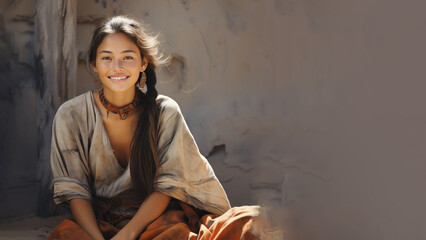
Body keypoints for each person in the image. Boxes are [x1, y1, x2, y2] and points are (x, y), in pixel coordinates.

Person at [47, 15, 260, 240]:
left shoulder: (165, 111)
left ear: (143, 63)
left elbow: (167, 187)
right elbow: (75, 192)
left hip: (155, 222)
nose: (117, 67)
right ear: (94, 64)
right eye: (107, 58)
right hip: (99, 225)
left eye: (127, 57)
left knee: (253, 220)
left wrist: (129, 234)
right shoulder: (70, 115)